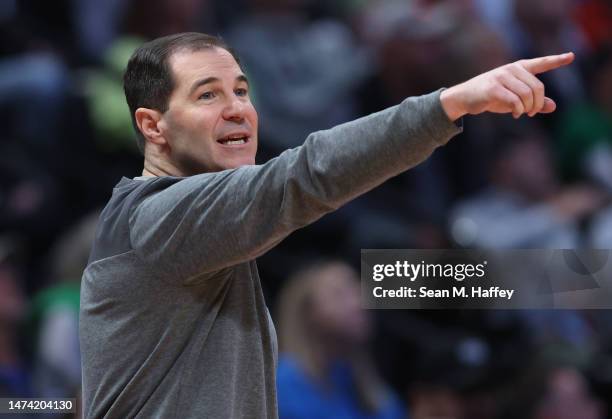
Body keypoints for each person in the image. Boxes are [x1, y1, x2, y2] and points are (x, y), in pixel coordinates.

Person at [79, 31, 575, 418]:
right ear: (152, 125)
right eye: (208, 95)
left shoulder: (203, 232)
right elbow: (306, 174)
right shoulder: (156, 217)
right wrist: (449, 104)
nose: (237, 109)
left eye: (242, 90)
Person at [276, 261, 404, 419]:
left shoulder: (376, 392)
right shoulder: (281, 385)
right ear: (309, 313)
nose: (360, 303)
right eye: (340, 294)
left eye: (359, 291)